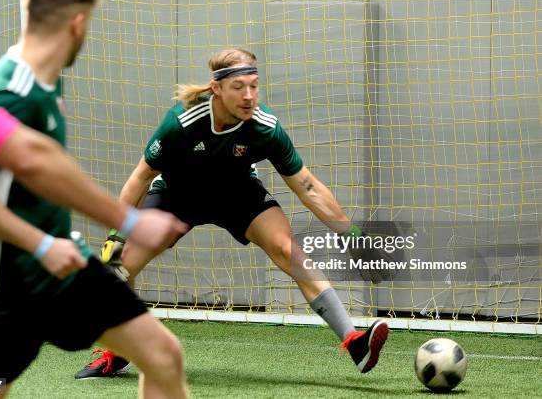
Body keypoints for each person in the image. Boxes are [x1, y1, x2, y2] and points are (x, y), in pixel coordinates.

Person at [75, 48, 389, 380]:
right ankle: (120, 349)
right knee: (120, 264)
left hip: (237, 194)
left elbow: (308, 187)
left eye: (254, 85)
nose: (249, 96)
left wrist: (352, 236)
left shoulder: (265, 127)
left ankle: (354, 342)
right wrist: (116, 235)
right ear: (217, 89)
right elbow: (140, 177)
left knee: (289, 251)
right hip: (177, 194)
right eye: (239, 87)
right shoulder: (182, 122)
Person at [0, 0, 188, 399]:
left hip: (65, 268)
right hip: (8, 283)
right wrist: (42, 244)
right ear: (78, 23)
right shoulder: (10, 92)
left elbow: (44, 168)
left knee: (164, 355)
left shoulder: (48, 78)